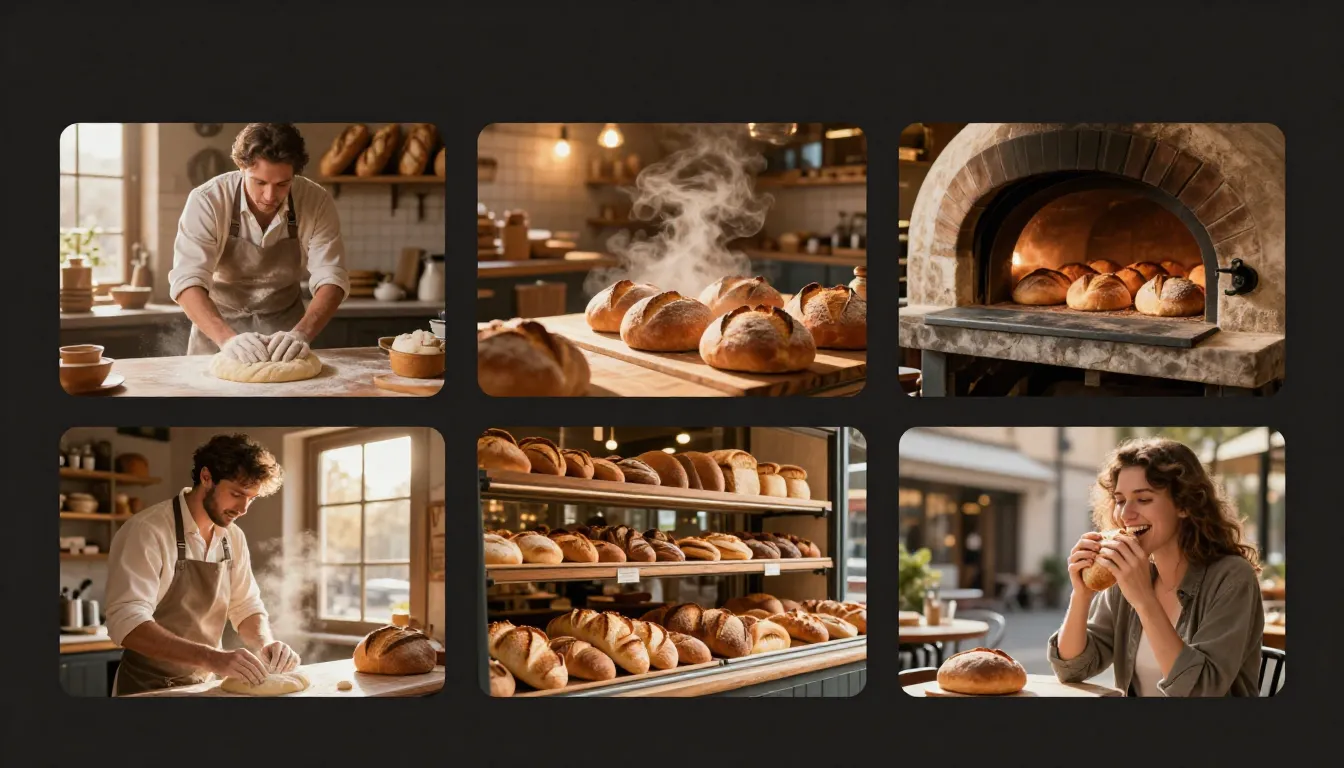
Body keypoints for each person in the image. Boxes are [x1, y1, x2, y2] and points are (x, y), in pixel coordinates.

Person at [1048, 437, 1264, 696]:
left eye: (1144, 499)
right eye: (1119, 500)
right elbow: (1072, 669)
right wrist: (1081, 595)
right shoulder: (1129, 573)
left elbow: (1201, 690)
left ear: (1184, 504)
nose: (1125, 515)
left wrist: (1144, 600)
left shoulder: (1231, 577)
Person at [105, 434, 299, 696]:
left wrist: (266, 643)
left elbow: (246, 605)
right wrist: (212, 657)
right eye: (236, 494)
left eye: (252, 498)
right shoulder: (148, 530)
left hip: (204, 686)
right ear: (206, 478)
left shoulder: (233, 537)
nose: (243, 508)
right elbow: (126, 622)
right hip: (145, 688)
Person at [168, 123, 349, 363]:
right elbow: (187, 279)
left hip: (287, 334)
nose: (270, 196)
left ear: (295, 173)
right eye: (260, 183)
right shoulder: (208, 200)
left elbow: (331, 277)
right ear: (241, 167)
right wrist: (227, 340)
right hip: (218, 331)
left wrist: (301, 333)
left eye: (283, 184)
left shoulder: (315, 201)